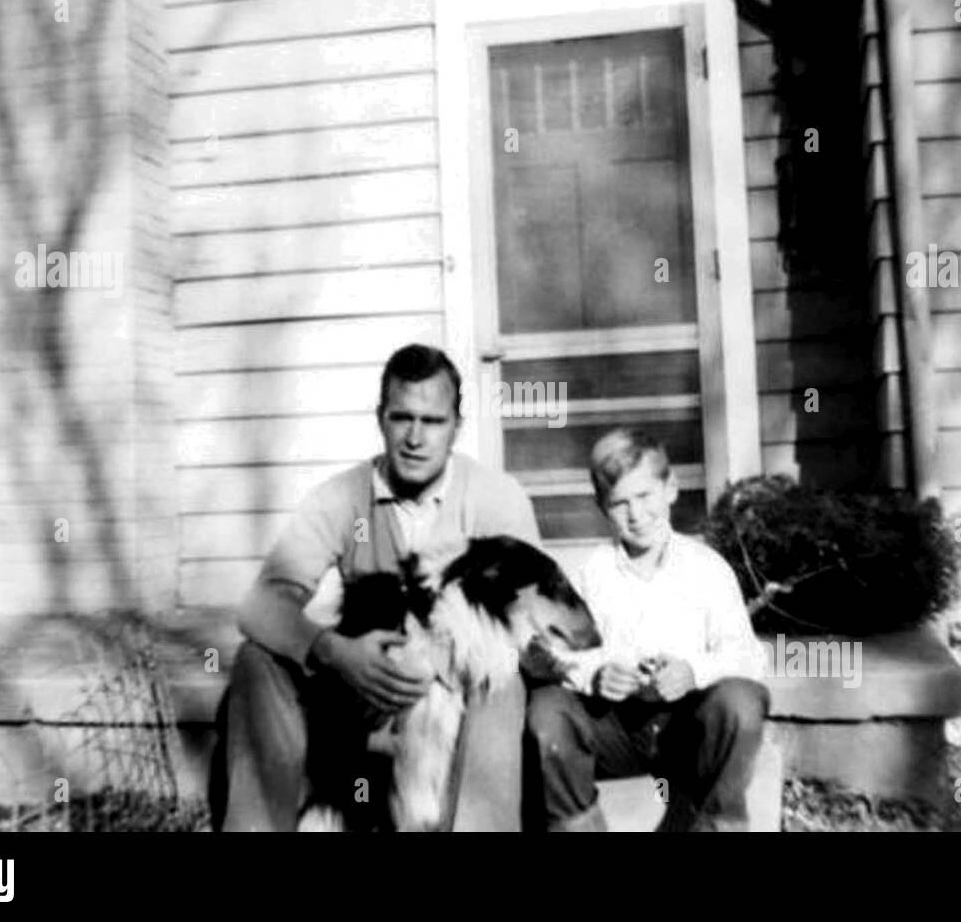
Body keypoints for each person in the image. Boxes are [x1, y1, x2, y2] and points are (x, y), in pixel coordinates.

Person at [210, 344, 540, 831]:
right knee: (256, 662)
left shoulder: (495, 498)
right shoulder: (343, 496)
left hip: (459, 699)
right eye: (401, 417)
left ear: (457, 426)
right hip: (361, 699)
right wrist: (333, 651)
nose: (414, 437)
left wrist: (436, 663)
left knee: (504, 679)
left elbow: (530, 621)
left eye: (432, 421)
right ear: (380, 419)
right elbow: (261, 604)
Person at [525, 427, 770, 831]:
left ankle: (719, 824)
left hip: (686, 732)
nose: (636, 515)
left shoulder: (706, 568)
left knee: (740, 699)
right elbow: (555, 655)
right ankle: (577, 825)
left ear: (670, 488)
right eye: (620, 503)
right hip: (616, 730)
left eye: (644, 496)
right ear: (602, 506)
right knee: (549, 708)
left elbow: (748, 657)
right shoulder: (591, 573)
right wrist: (597, 673)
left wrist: (693, 671)